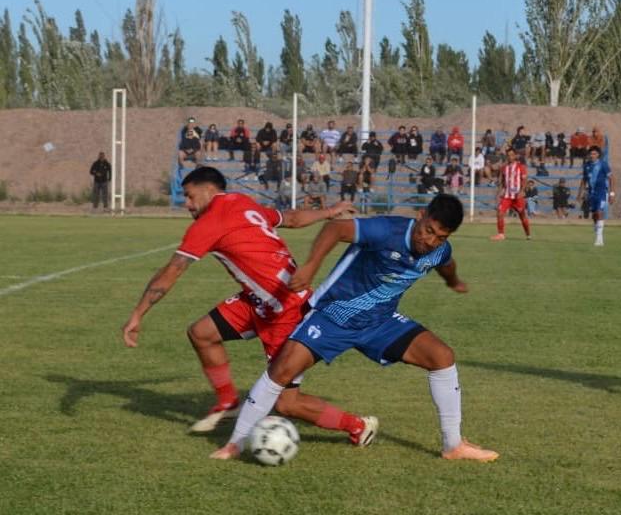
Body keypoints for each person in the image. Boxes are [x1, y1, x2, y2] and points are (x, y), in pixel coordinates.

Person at [210, 194, 499, 462]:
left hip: (380, 322)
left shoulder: (438, 251)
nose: (430, 241)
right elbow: (335, 229)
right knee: (281, 371)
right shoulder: (387, 230)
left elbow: (446, 262)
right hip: (332, 316)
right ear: (421, 216)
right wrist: (311, 266)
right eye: (428, 231)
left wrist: (453, 281)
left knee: (442, 357)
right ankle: (236, 443)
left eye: (440, 237)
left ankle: (453, 445)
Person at [121, 166, 377, 444]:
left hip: (287, 309)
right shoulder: (242, 202)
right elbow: (291, 218)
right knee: (202, 333)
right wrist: (329, 211)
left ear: (209, 190)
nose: (187, 204)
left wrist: (138, 314)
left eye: (190, 196)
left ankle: (358, 425)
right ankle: (228, 402)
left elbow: (173, 269)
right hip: (260, 302)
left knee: (286, 404)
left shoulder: (210, 222)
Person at [576, 146, 615, 246]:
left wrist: (612, 193)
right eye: (591, 154)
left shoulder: (603, 165)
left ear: (598, 155)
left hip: (601, 192)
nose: (592, 155)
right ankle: (597, 227)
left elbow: (612, 178)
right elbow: (584, 180)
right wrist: (580, 193)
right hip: (591, 193)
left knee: (599, 212)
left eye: (594, 154)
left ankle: (599, 238)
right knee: (594, 215)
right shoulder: (587, 165)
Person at [491, 147, 531, 241]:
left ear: (515, 156)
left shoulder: (521, 167)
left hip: (517, 196)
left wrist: (522, 191)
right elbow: (503, 181)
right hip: (507, 196)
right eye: (508, 155)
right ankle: (501, 234)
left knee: (522, 215)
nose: (510, 157)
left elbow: (524, 180)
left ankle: (528, 234)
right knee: (500, 213)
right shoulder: (504, 168)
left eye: (512, 155)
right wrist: (500, 191)